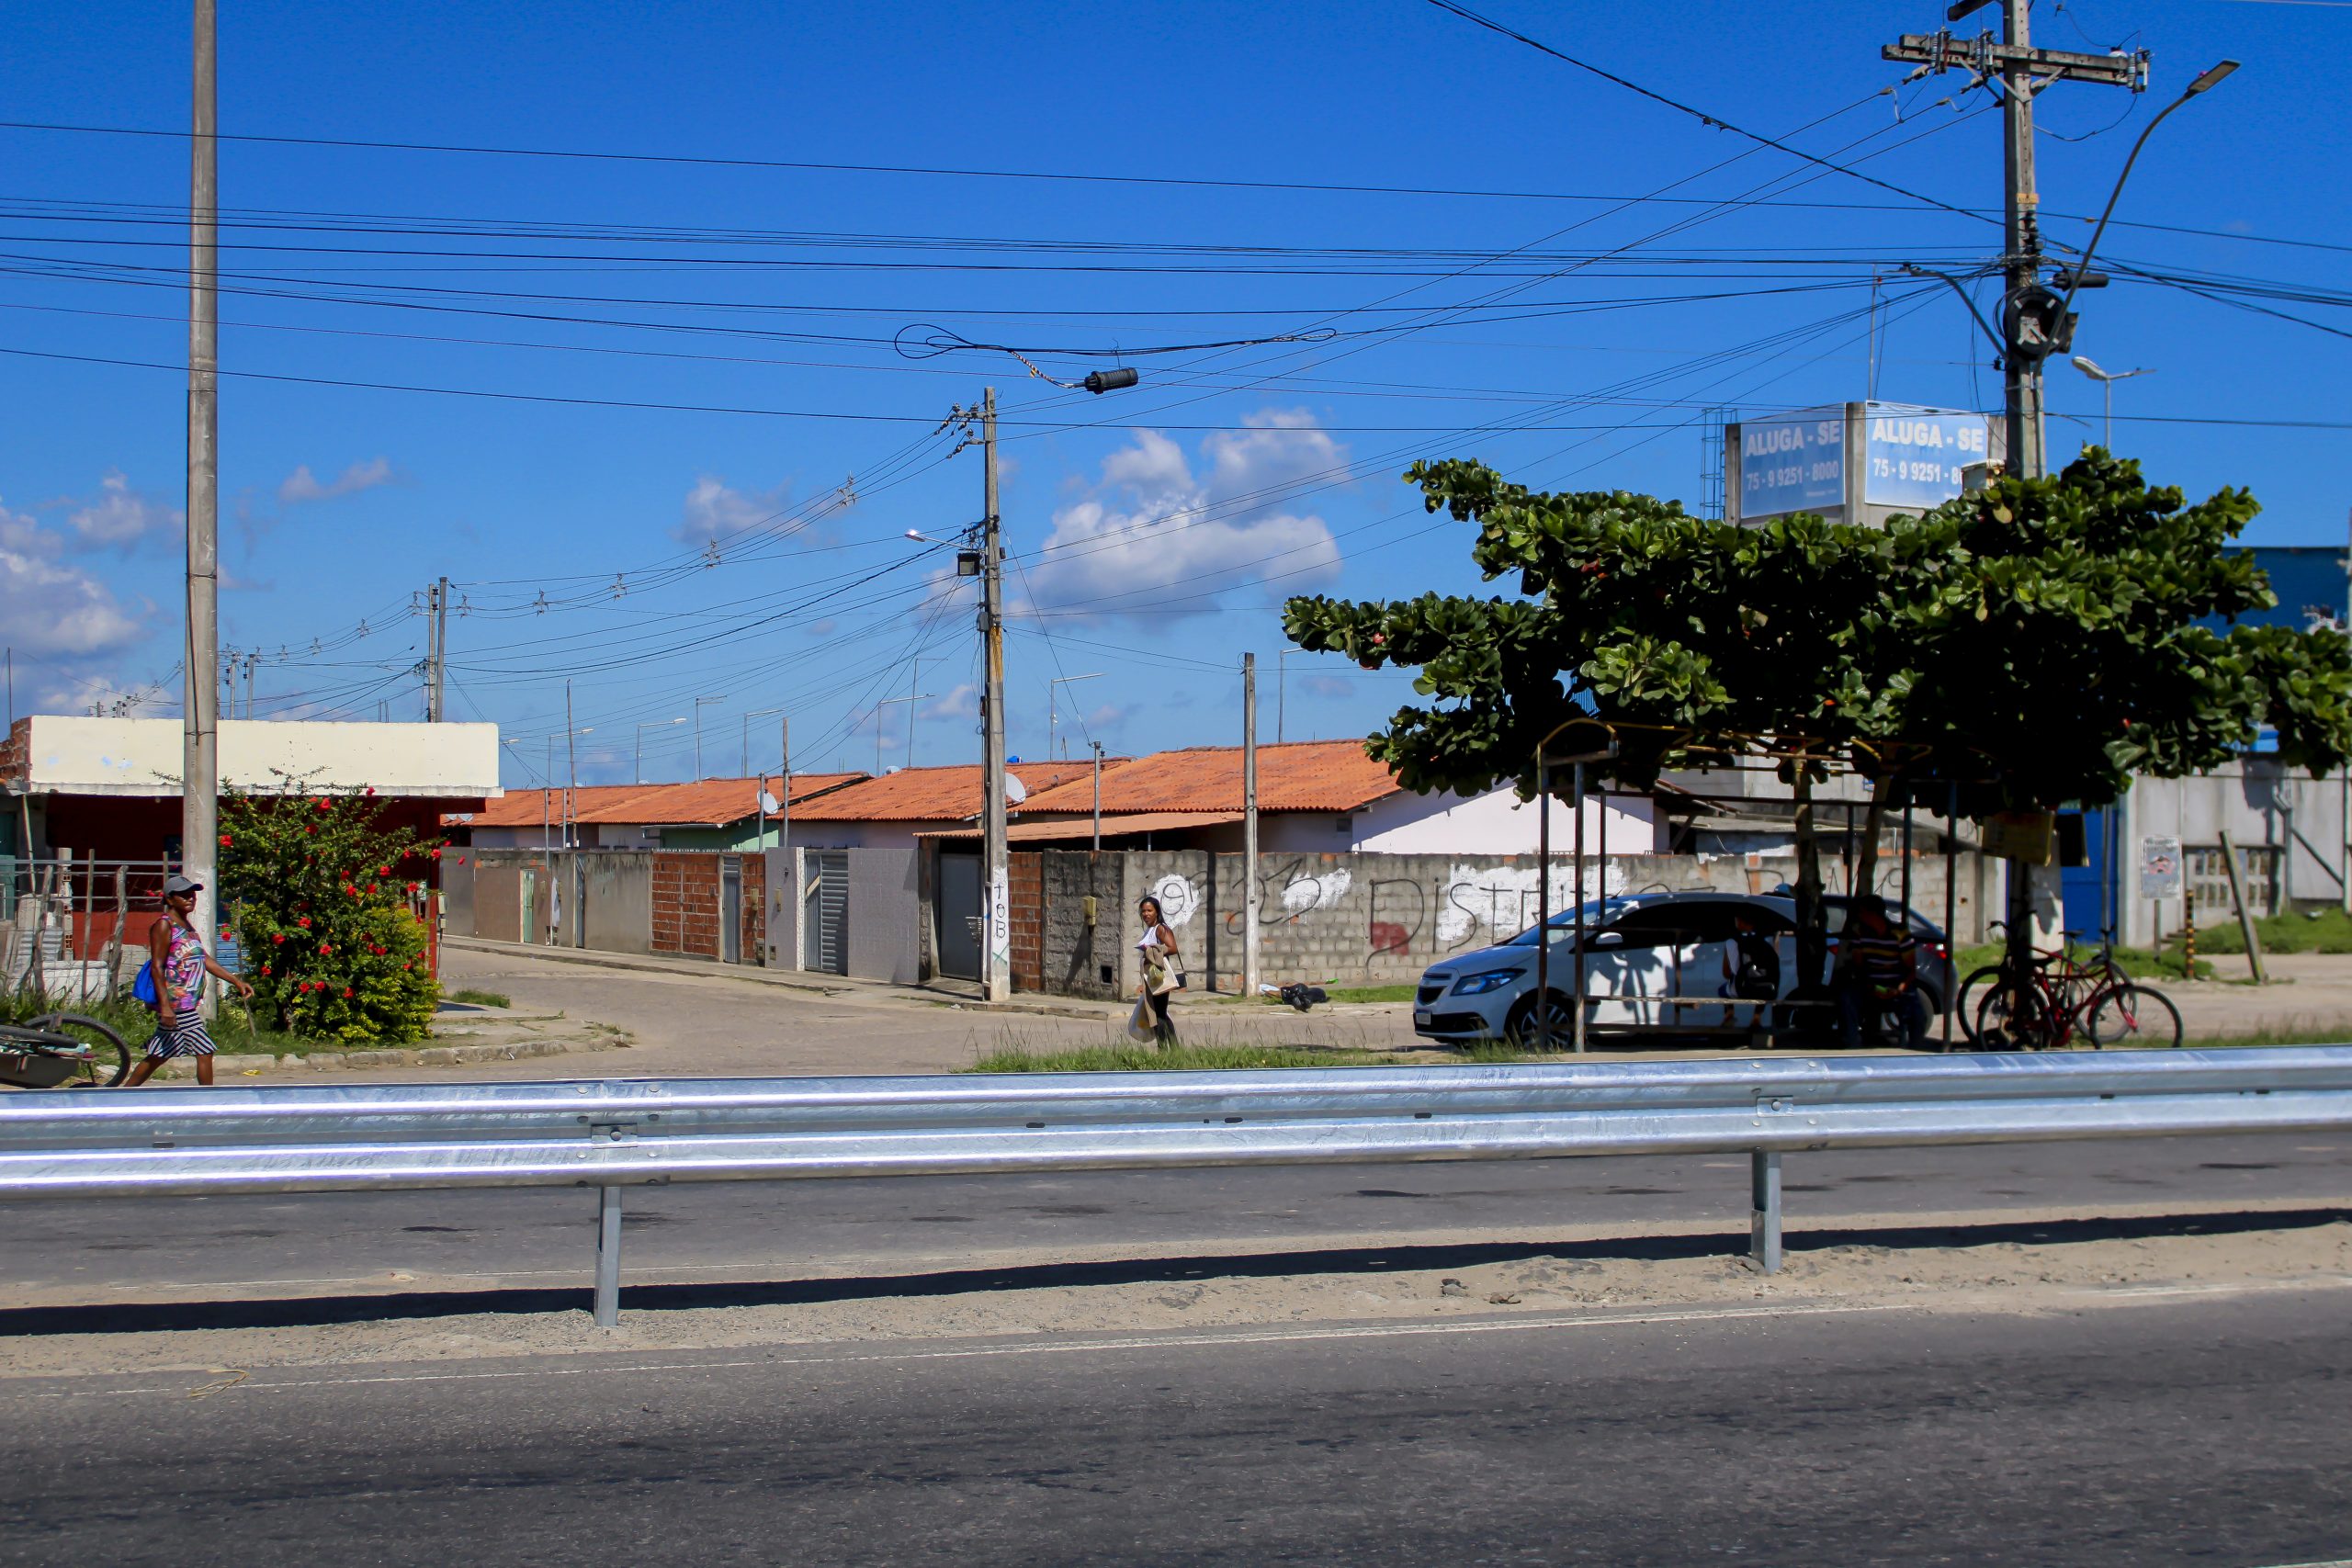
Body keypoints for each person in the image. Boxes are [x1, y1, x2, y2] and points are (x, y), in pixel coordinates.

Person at [119, 874, 254, 1088]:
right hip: (176, 1002)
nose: (190, 898)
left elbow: (204, 959)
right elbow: (157, 966)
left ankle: (124, 1094)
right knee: (205, 1050)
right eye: (183, 895)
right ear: (170, 899)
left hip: (185, 1001)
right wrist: (165, 1007)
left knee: (159, 1055)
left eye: (192, 894)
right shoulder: (164, 926)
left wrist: (235, 980)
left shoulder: (188, 928)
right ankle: (207, 1102)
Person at [1832, 895, 1927, 1051]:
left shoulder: (1900, 934)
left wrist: (1899, 988)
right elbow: (1859, 966)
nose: (1860, 916)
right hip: (1869, 985)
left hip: (1897, 986)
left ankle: (1916, 1051)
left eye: (1862, 912)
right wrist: (1871, 986)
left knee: (1917, 1013)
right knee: (1847, 998)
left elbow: (1910, 970)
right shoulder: (1860, 934)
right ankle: (1851, 1045)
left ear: (1872, 914)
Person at [1134, 895, 1183, 1048]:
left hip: (1159, 976)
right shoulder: (1149, 930)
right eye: (1143, 911)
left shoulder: (1161, 929)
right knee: (1157, 1013)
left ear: (1157, 912)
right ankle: (1171, 1049)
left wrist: (1153, 950)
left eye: (1149, 910)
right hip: (1151, 977)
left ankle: (1167, 1049)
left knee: (1158, 1013)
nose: (1146, 914)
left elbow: (1173, 948)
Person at [1719, 910, 1781, 1030]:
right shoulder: (1767, 944)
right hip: (1768, 991)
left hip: (1743, 988)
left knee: (1723, 989)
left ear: (1741, 922)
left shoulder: (1734, 942)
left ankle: (1729, 1013)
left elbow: (1727, 973)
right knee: (1762, 986)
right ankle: (1757, 1017)